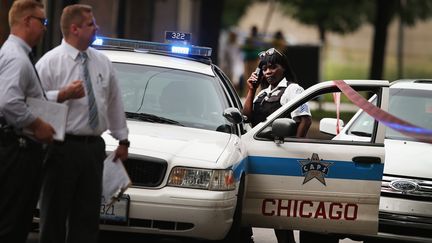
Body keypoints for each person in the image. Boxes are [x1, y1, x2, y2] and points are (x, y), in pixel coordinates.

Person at [35, 4, 129, 243]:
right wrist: (61, 94)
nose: (96, 28)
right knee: (54, 214)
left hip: (92, 148)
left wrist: (123, 139)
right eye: (90, 24)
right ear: (74, 29)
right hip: (61, 147)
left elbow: (114, 101)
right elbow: (31, 104)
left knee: (86, 218)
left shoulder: (102, 62)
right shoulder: (50, 63)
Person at [242, 47, 312, 243]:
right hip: (259, 154)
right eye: (264, 69)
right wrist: (251, 89)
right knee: (255, 206)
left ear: (283, 68)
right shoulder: (262, 93)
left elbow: (304, 120)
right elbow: (246, 116)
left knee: (278, 214)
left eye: (273, 67)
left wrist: (293, 150)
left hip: (279, 157)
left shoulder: (293, 89)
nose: (268, 72)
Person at [0, 1, 55, 243]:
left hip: (14, 147)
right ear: (26, 21)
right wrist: (37, 125)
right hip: (17, 150)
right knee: (13, 222)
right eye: (42, 22)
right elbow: (8, 102)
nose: (44, 28)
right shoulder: (17, 58)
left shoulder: (13, 53)